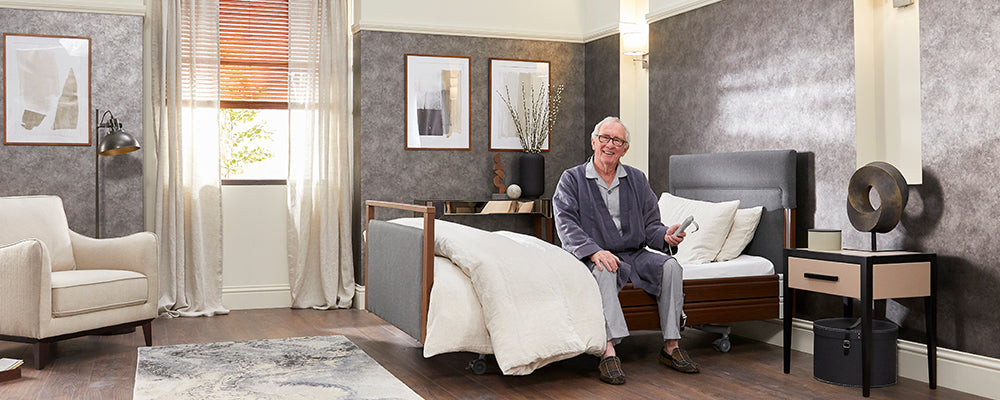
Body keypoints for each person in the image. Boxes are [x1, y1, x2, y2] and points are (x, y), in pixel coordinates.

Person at [553, 116, 699, 385]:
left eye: (617, 140)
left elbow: (651, 225)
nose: (610, 144)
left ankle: (672, 346)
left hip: (634, 253)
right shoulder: (571, 179)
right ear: (594, 141)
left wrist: (666, 235)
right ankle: (608, 351)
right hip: (595, 255)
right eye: (605, 138)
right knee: (605, 267)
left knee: (671, 266)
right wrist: (594, 252)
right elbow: (566, 224)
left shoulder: (637, 179)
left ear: (625, 148)